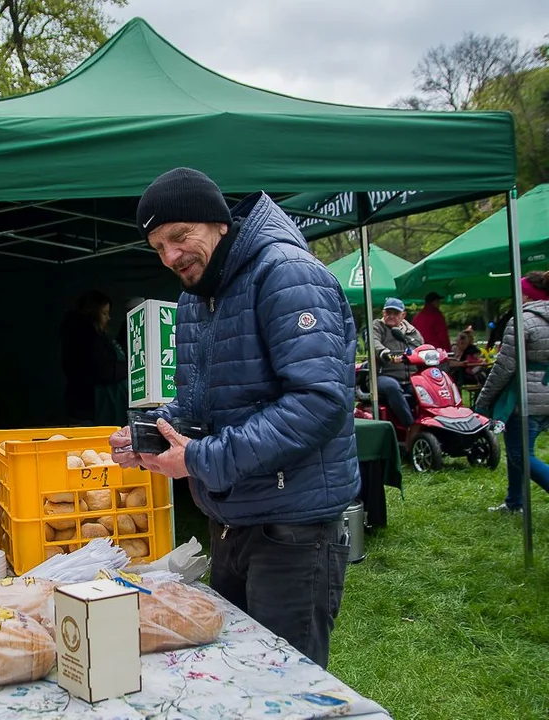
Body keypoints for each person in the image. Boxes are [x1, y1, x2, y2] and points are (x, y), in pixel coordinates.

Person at [109, 167, 360, 669]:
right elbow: (201, 405)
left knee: (286, 685)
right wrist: (151, 433)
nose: (171, 256)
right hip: (229, 521)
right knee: (235, 673)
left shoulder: (287, 273)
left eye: (180, 237)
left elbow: (319, 403)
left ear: (220, 223)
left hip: (293, 530)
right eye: (158, 246)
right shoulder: (194, 298)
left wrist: (199, 459)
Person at [475, 271, 549, 513]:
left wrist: (484, 400)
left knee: (519, 454)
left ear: (525, 293)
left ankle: (515, 502)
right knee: (522, 450)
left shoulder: (521, 321)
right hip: (546, 392)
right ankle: (515, 502)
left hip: (524, 396)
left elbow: (505, 366)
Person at [60, 290, 128, 426]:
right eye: (104, 313)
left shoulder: (77, 334)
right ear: (93, 312)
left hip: (81, 406)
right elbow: (105, 371)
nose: (108, 318)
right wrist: (131, 367)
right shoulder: (86, 338)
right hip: (90, 408)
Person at [371, 298, 424, 428]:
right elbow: (373, 342)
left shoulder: (411, 331)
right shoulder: (377, 326)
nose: (391, 316)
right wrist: (385, 353)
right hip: (382, 375)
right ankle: (411, 426)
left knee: (426, 387)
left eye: (395, 313)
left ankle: (429, 423)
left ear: (403, 315)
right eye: (388, 312)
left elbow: (421, 346)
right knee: (392, 386)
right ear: (383, 313)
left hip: (410, 377)